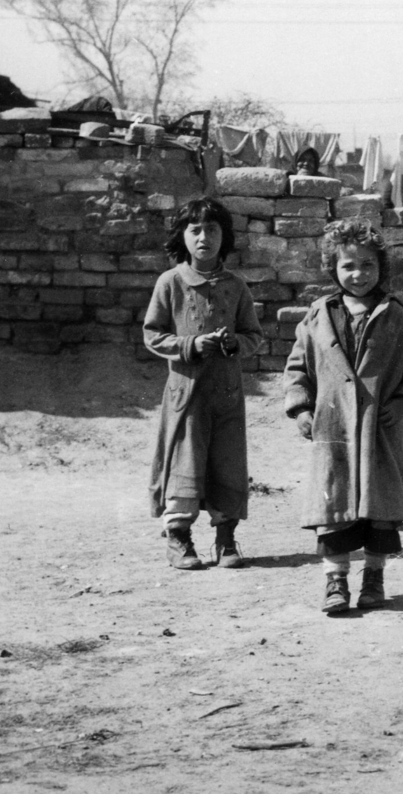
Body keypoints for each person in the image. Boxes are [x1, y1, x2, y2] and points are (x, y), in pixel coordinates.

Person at [283, 219, 403, 614]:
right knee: (333, 508)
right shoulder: (318, 315)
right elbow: (297, 367)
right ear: (333, 269)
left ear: (381, 267)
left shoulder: (395, 315)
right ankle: (335, 581)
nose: (359, 274)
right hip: (333, 429)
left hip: (381, 429)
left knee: (380, 509)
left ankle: (374, 579)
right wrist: (300, 407)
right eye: (348, 266)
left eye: (368, 265)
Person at [144, 197, 264, 571]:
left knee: (227, 463)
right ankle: (179, 538)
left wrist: (234, 343)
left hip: (227, 395)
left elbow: (253, 336)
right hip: (187, 395)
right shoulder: (171, 283)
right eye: (195, 230)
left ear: (224, 236)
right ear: (182, 236)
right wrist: (190, 345)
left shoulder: (236, 286)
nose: (203, 238)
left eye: (212, 230)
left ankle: (226, 539)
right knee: (185, 459)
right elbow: (153, 334)